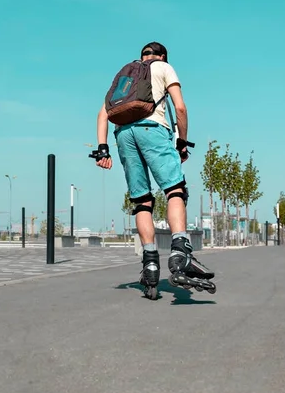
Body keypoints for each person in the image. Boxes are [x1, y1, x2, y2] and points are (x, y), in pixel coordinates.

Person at [91, 41, 215, 298]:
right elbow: (180, 107)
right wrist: (182, 142)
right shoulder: (163, 67)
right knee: (175, 190)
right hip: (153, 129)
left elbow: (103, 113)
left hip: (123, 135)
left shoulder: (126, 76)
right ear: (162, 56)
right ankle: (180, 252)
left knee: (142, 201)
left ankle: (149, 264)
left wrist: (103, 149)